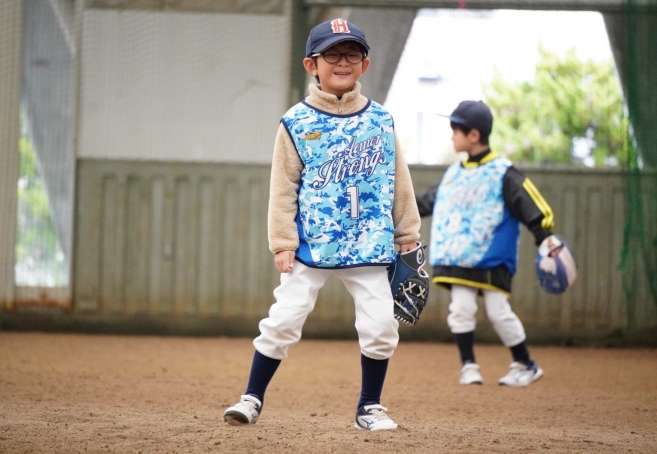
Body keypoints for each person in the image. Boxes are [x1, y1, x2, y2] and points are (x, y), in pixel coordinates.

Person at [223, 18, 421, 430]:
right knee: (283, 319)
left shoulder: (381, 120)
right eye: (332, 54)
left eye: (352, 53)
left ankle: (369, 407)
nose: (343, 61)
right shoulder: (296, 122)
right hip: (313, 243)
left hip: (369, 241)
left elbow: (399, 180)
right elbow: (283, 186)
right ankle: (251, 397)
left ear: (365, 64)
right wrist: (282, 240)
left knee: (381, 326)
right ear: (311, 65)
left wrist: (408, 235)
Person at [416, 100, 555, 387]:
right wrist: (395, 209)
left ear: (474, 135)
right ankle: (469, 366)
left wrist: (544, 237)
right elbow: (426, 202)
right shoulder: (454, 175)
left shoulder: (502, 172)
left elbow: (531, 205)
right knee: (460, 309)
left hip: (491, 256)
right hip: (458, 257)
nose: (452, 137)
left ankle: (525, 363)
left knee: (497, 311)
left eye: (455, 131)